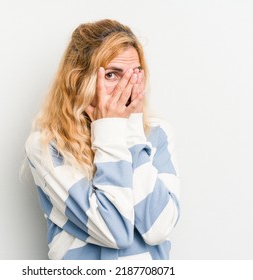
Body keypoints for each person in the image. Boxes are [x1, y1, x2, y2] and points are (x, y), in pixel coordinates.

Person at [24, 19, 180, 260]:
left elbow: (157, 228)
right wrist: (108, 130)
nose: (127, 88)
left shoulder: (157, 134)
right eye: (111, 75)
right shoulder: (47, 147)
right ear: (79, 80)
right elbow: (115, 232)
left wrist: (132, 133)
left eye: (134, 74)